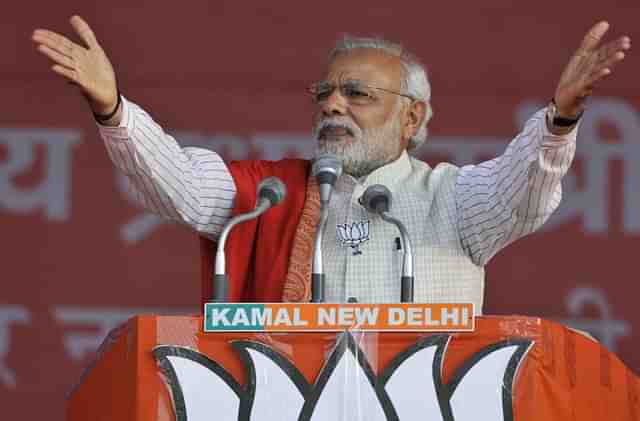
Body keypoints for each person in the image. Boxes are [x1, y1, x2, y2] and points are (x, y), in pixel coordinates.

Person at [32, 17, 630, 312]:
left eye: (357, 94)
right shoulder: (270, 194)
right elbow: (178, 184)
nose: (333, 105)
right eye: (325, 94)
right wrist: (112, 109)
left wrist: (559, 120)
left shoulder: (453, 199)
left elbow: (522, 191)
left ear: (413, 118)